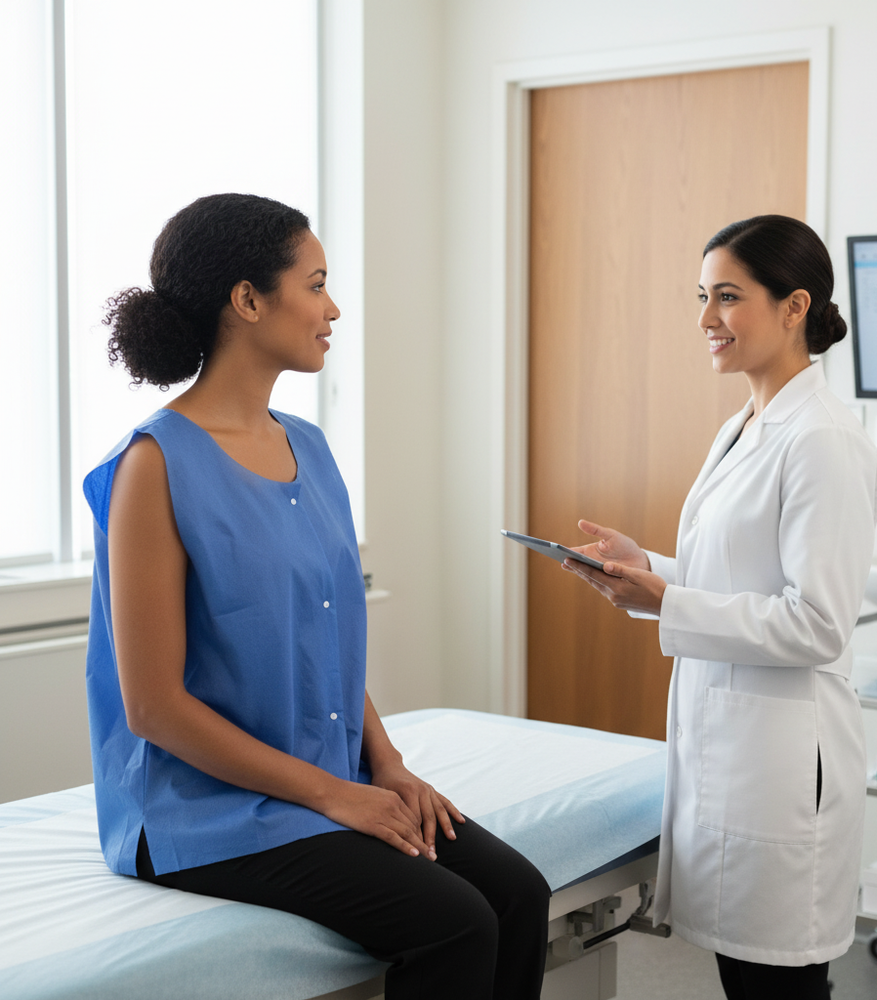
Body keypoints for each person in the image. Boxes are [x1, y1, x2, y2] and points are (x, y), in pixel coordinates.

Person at [83, 193, 549, 1000]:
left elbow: (326, 635)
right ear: (247, 300)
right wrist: (339, 796)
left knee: (518, 894)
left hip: (321, 780)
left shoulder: (308, 446)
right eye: (316, 283)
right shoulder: (153, 465)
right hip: (205, 813)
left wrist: (387, 765)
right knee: (459, 921)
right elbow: (153, 708)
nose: (333, 309)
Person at [562, 215, 877, 1000]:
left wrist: (668, 599)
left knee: (779, 987)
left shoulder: (822, 441)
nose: (706, 319)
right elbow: (737, 577)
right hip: (735, 753)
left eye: (728, 298)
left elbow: (816, 621)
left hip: (782, 767)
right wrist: (650, 573)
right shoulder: (745, 426)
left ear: (793, 306)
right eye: (702, 297)